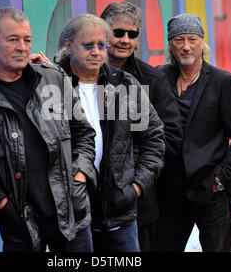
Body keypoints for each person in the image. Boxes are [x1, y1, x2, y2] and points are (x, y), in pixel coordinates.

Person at [0, 7, 97, 252]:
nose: (22, 47)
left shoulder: (53, 78)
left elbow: (84, 134)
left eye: (27, 39)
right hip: (19, 223)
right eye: (13, 40)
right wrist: (2, 203)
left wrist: (79, 178)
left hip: (70, 216)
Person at [53, 14, 165, 252]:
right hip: (70, 213)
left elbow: (154, 140)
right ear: (68, 44)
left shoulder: (125, 84)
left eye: (101, 45)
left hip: (119, 215)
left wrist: (135, 188)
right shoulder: (51, 85)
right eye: (88, 45)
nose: (96, 51)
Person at [155, 13, 231, 252]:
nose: (186, 46)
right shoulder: (159, 78)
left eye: (192, 39)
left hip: (212, 190)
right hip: (170, 190)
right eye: (179, 40)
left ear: (202, 44)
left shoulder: (224, 82)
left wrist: (220, 178)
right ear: (170, 45)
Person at [99, 1, 183, 252]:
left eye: (132, 34)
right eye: (118, 33)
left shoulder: (151, 80)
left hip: (137, 204)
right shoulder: (80, 76)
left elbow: (171, 137)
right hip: (88, 206)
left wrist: (133, 182)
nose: (125, 39)